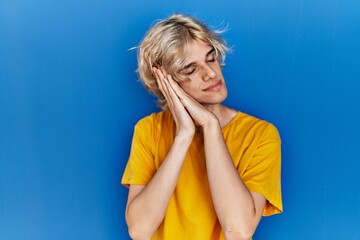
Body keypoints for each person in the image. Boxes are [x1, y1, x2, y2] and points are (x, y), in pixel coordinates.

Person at [121, 13, 282, 240]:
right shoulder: (149, 130)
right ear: (167, 83)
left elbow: (239, 231)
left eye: (211, 58)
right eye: (191, 69)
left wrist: (211, 127)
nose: (211, 73)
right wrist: (183, 136)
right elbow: (139, 230)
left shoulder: (261, 135)